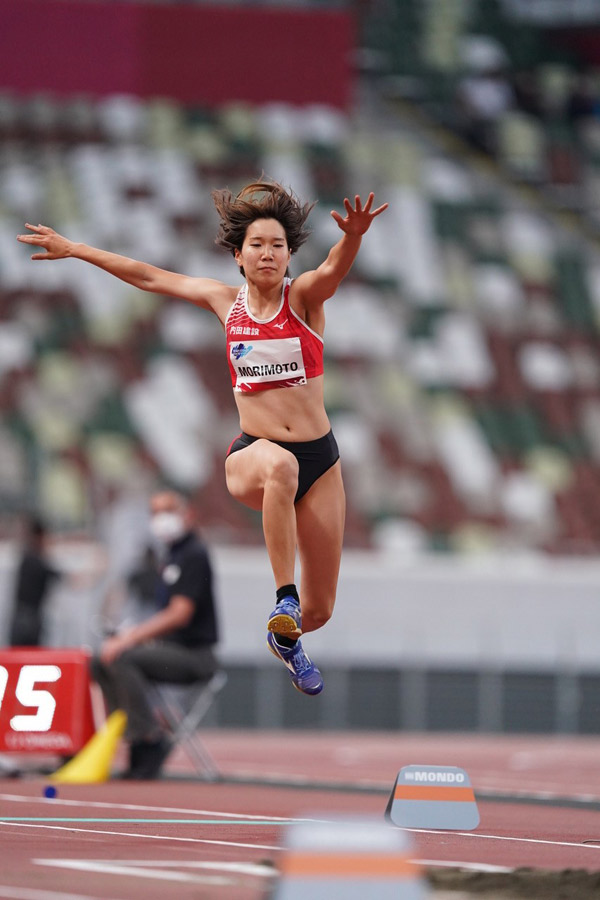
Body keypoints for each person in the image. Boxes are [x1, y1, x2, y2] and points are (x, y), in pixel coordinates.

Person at [17, 179, 388, 696]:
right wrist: (73, 248)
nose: (268, 254)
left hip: (321, 460)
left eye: (278, 245)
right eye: (257, 245)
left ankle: (287, 637)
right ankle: (283, 596)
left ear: (288, 255)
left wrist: (351, 238)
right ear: (238, 256)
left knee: (321, 608)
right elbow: (148, 277)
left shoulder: (302, 299)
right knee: (280, 466)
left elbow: (332, 270)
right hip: (253, 456)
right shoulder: (224, 302)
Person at [90, 489, 219, 780]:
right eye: (154, 512)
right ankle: (126, 734)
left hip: (195, 656)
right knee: (101, 661)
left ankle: (148, 738)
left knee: (122, 658)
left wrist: (129, 638)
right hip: (169, 649)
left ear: (187, 514)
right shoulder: (170, 556)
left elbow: (179, 614)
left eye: (167, 510)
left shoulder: (193, 554)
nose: (160, 519)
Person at [9, 516, 62, 646]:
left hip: (20, 618)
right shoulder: (36, 560)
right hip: (30, 620)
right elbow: (60, 576)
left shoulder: (25, 557)